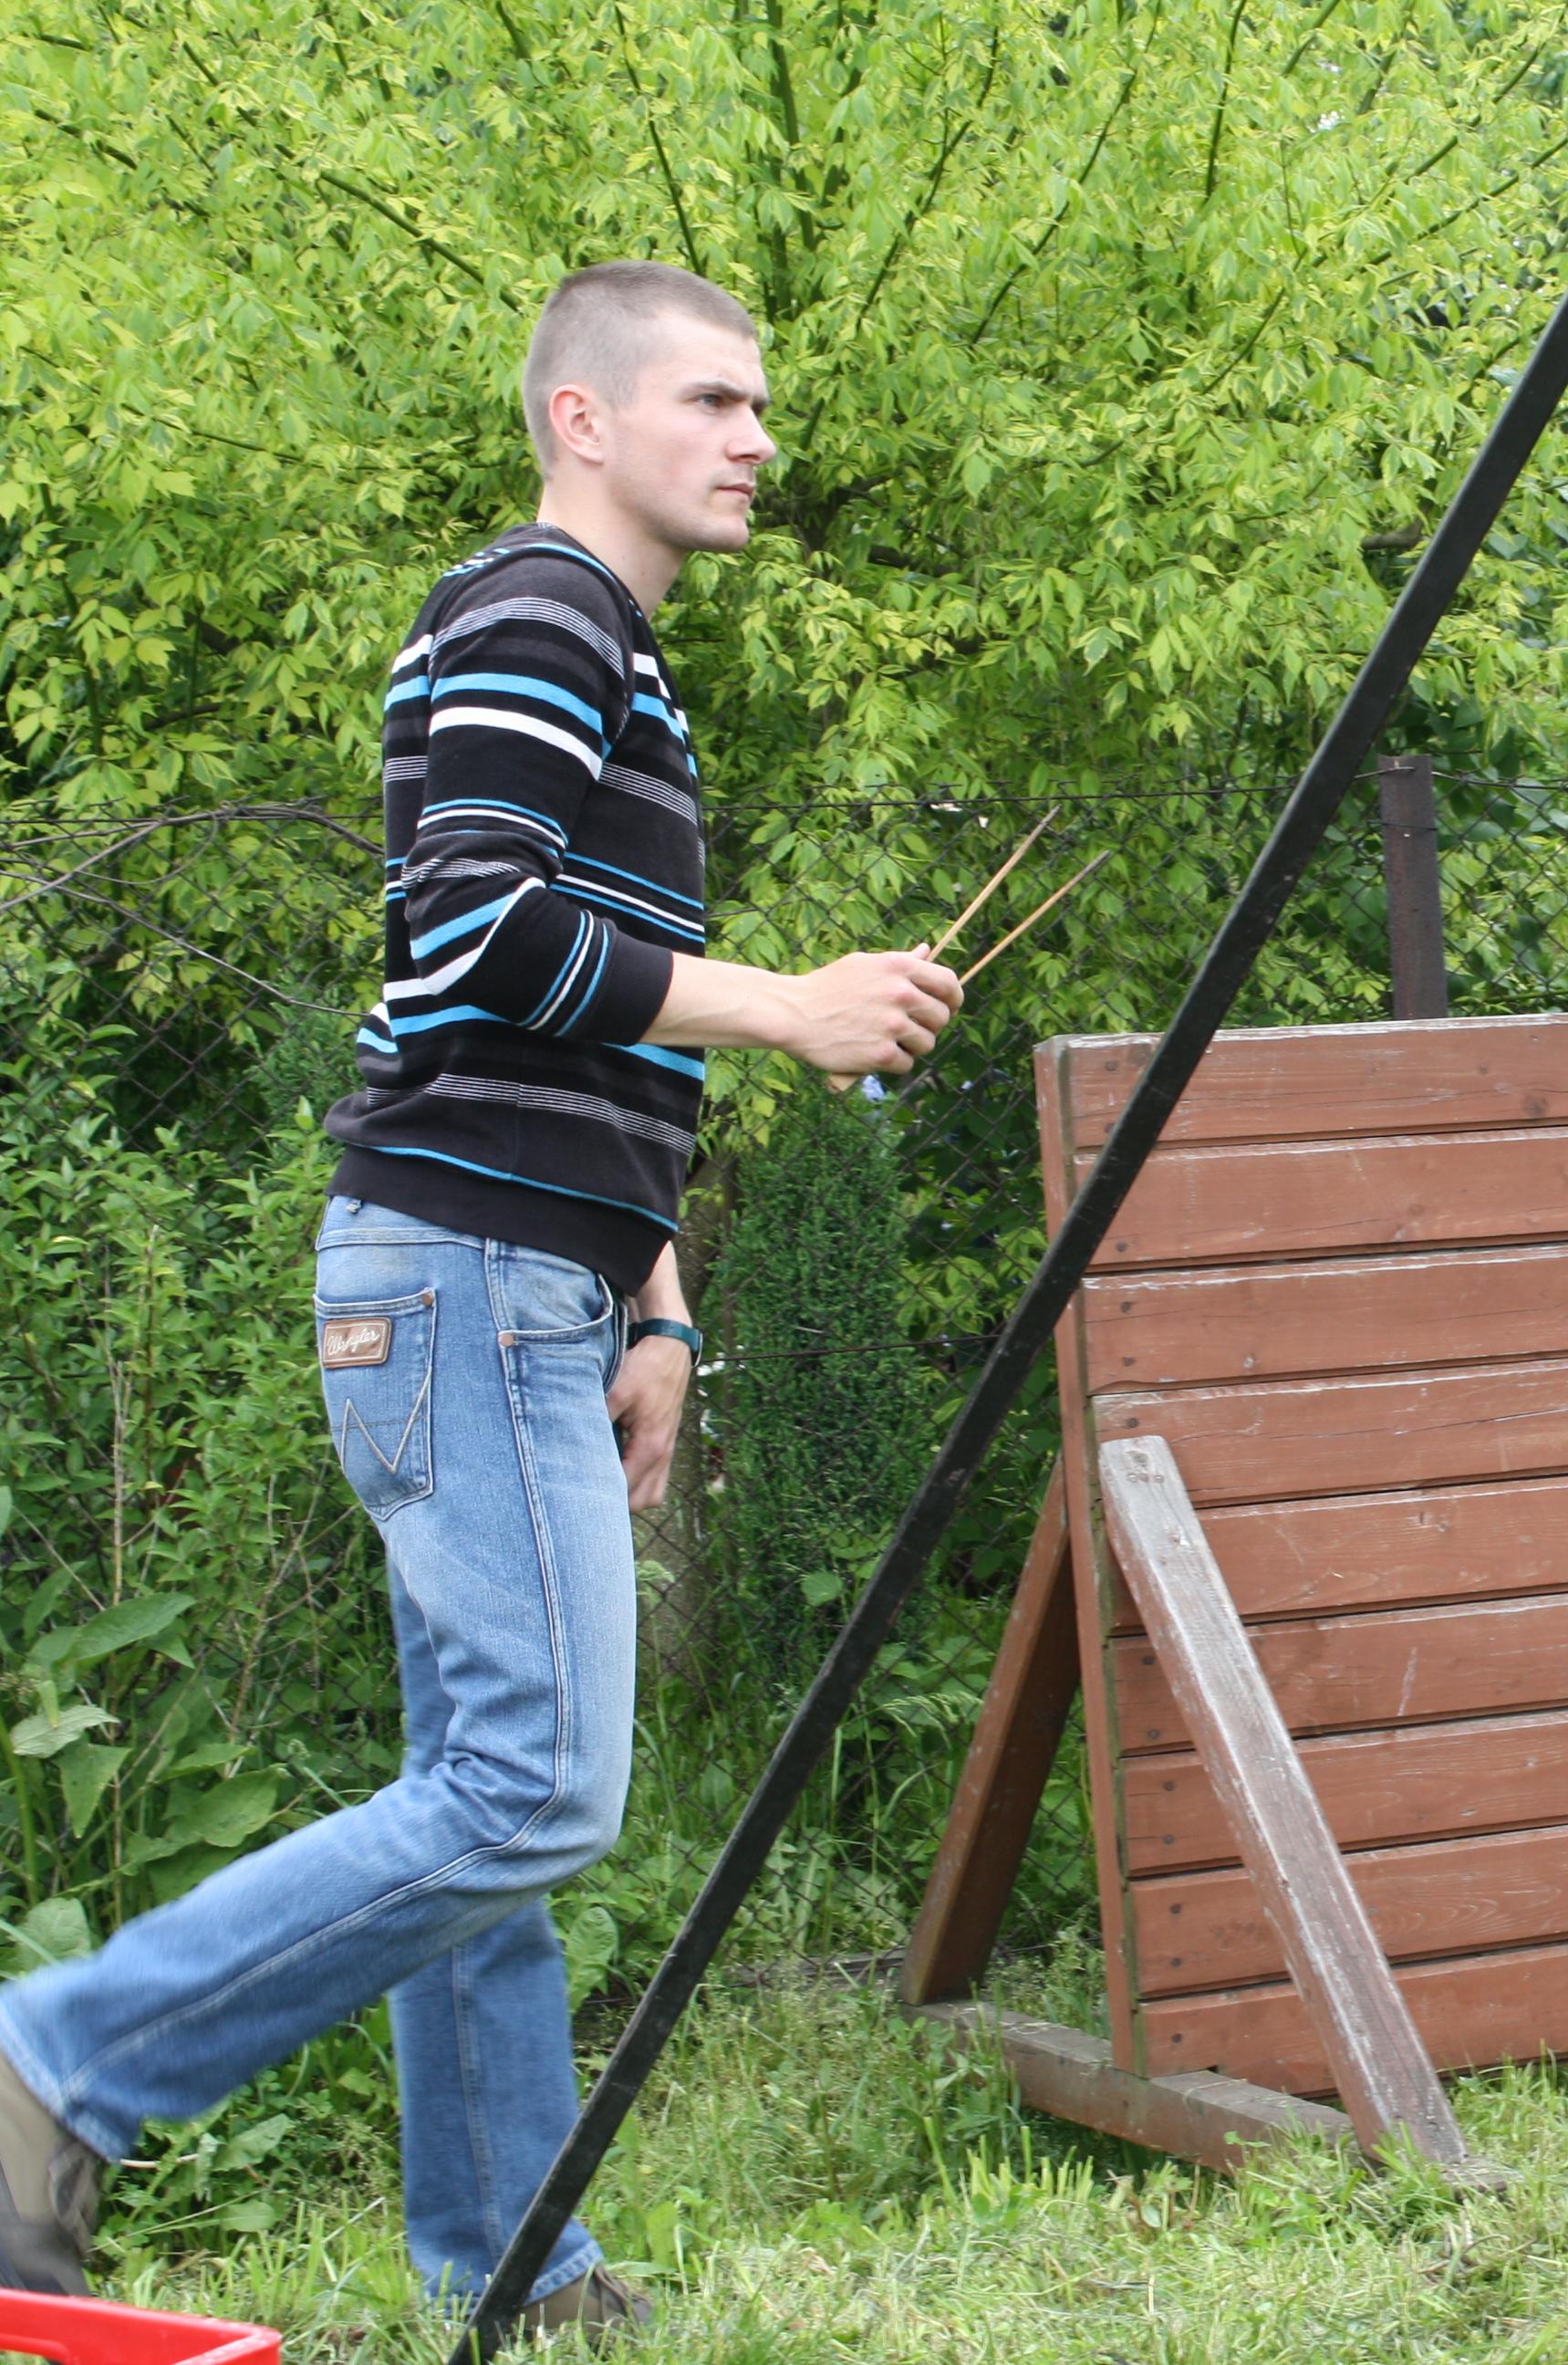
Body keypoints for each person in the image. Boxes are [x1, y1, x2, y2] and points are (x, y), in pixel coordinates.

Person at [0, 262, 963, 2334]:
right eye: (713, 400)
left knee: (481, 1788)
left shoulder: (597, 647)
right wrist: (792, 1006)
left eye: (760, 405)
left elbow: (563, 1036)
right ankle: (51, 2066)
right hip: (464, 1275)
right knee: (530, 1788)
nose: (757, 439)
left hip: (523, 1274)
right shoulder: (545, 609)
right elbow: (475, 933)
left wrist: (658, 1302)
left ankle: (512, 2265)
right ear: (580, 420)